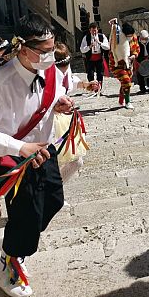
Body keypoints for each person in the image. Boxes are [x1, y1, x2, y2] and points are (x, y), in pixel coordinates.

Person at [0, 13, 74, 297]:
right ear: (24, 49)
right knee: (26, 214)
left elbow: (56, 94)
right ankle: (8, 265)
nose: (51, 56)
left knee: (54, 200)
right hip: (13, 158)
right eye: (45, 51)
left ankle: (15, 246)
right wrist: (19, 148)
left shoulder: (50, 71)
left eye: (53, 48)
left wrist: (60, 104)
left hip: (43, 148)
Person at [53, 43, 95, 195]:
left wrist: (86, 85)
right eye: (61, 65)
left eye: (67, 63)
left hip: (65, 119)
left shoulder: (65, 69)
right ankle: (54, 194)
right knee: (57, 162)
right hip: (51, 122)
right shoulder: (46, 75)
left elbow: (70, 82)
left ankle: (55, 191)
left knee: (76, 161)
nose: (64, 68)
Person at [108, 18, 140, 109]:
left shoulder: (133, 37)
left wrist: (133, 56)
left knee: (126, 82)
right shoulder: (118, 38)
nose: (130, 37)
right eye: (128, 36)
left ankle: (121, 100)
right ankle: (128, 102)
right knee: (126, 82)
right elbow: (113, 30)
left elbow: (137, 48)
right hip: (116, 64)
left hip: (129, 64)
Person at [79, 22, 110, 96]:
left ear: (97, 30)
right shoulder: (86, 38)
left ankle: (99, 89)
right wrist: (89, 47)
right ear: (90, 30)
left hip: (99, 58)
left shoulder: (102, 36)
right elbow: (82, 50)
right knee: (90, 74)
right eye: (92, 30)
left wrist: (99, 43)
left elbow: (107, 47)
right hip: (90, 59)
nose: (94, 32)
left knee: (100, 74)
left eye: (95, 30)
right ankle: (93, 89)